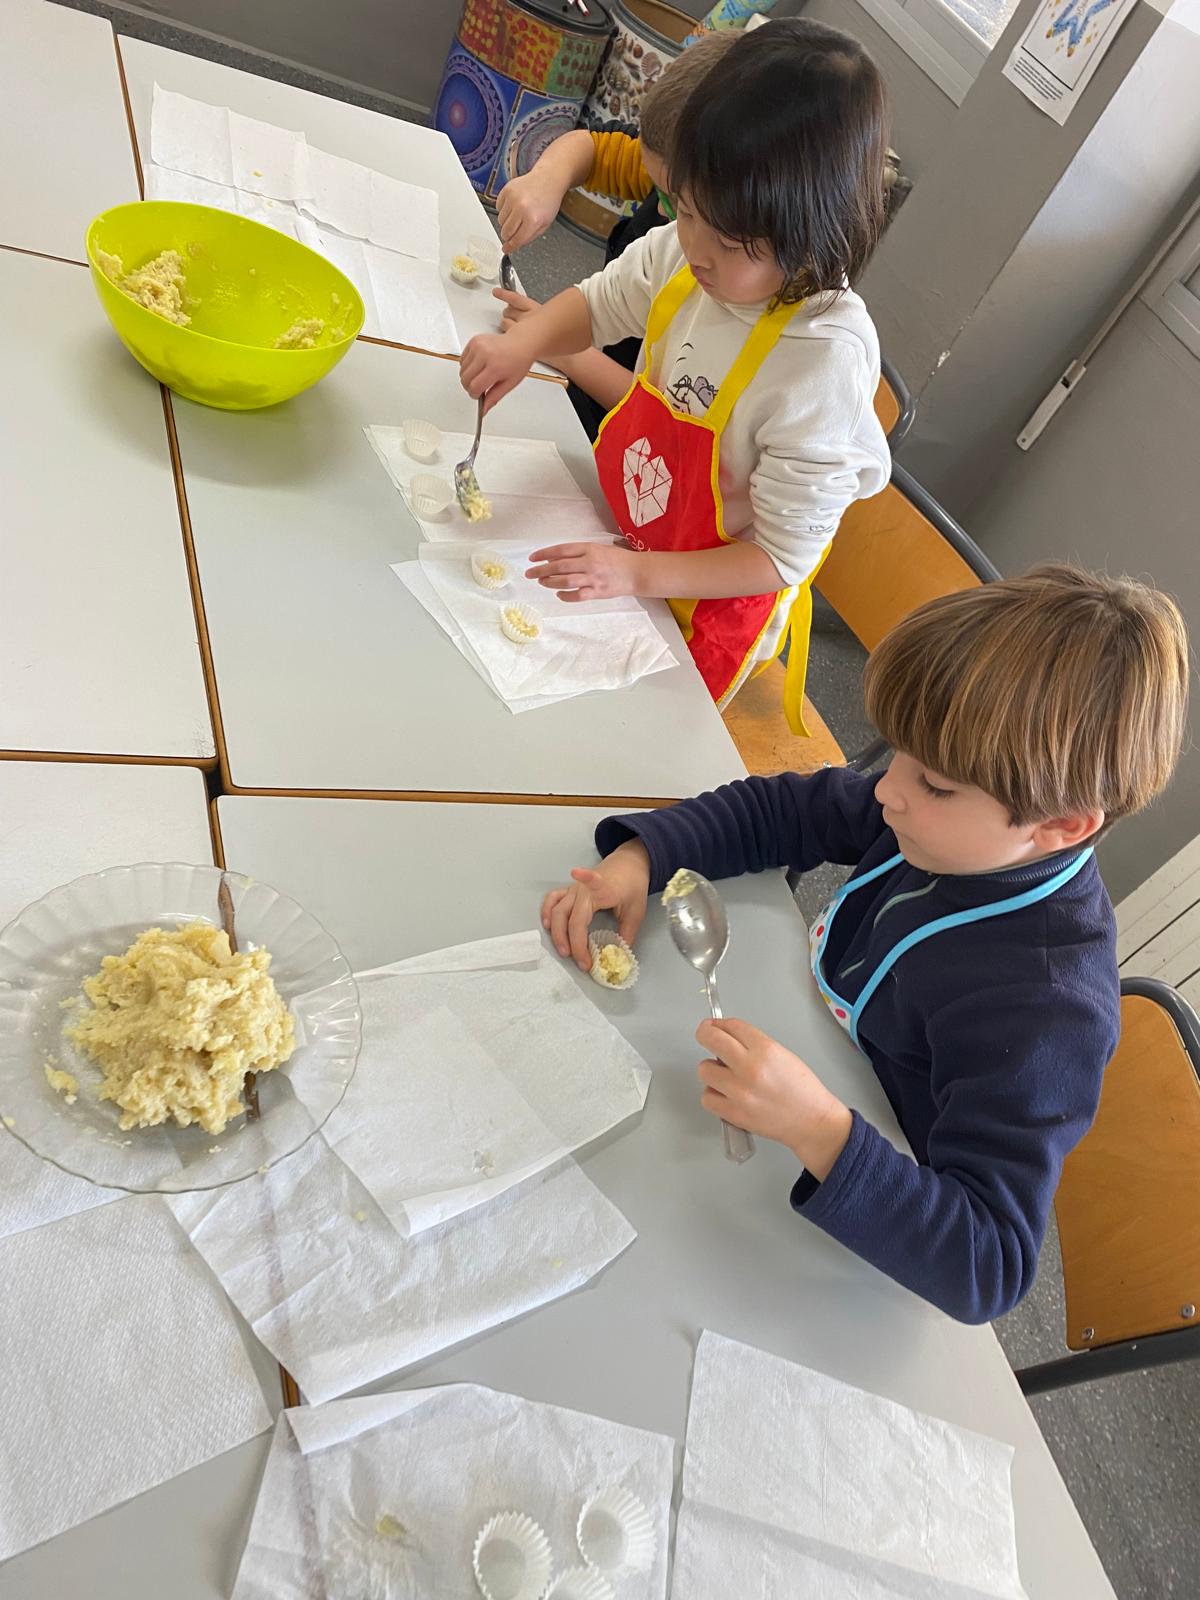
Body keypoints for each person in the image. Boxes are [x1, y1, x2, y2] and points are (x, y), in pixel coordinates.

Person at [539, 566, 1190, 1323]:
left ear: (1061, 825)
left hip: (864, 1213)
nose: (886, 790)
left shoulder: (1048, 1011)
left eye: (933, 784)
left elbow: (989, 1263)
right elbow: (786, 810)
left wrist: (817, 1128)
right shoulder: (948, 818)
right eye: (899, 757)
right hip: (807, 1069)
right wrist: (646, 856)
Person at [461, 19, 892, 733]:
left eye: (731, 242)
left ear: (817, 234)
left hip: (706, 602)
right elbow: (600, 304)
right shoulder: (685, 251)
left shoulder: (822, 368)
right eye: (686, 211)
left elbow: (777, 557)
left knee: (608, 738)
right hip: (630, 531)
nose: (695, 250)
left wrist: (638, 575)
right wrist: (527, 343)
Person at [495, 30, 739, 439]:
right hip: (588, 366)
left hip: (628, 430)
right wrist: (547, 179)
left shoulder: (724, 274)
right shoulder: (677, 172)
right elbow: (591, 149)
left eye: (677, 204)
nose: (662, 210)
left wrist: (567, 352)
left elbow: (673, 423)